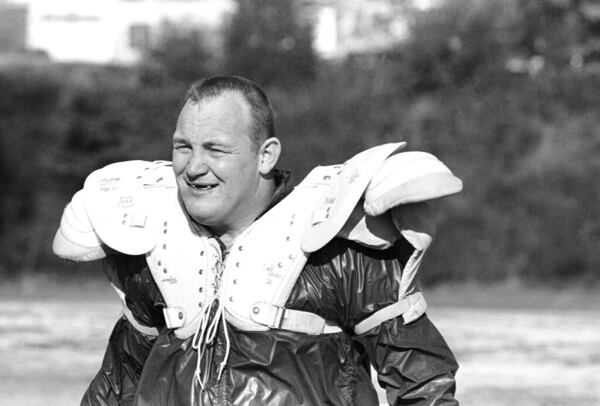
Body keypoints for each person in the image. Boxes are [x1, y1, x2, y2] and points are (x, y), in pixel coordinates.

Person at [53, 75, 461, 406]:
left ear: (266, 156)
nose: (194, 167)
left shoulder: (335, 248)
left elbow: (423, 386)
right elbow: (118, 386)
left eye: (215, 149)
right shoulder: (150, 244)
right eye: (183, 147)